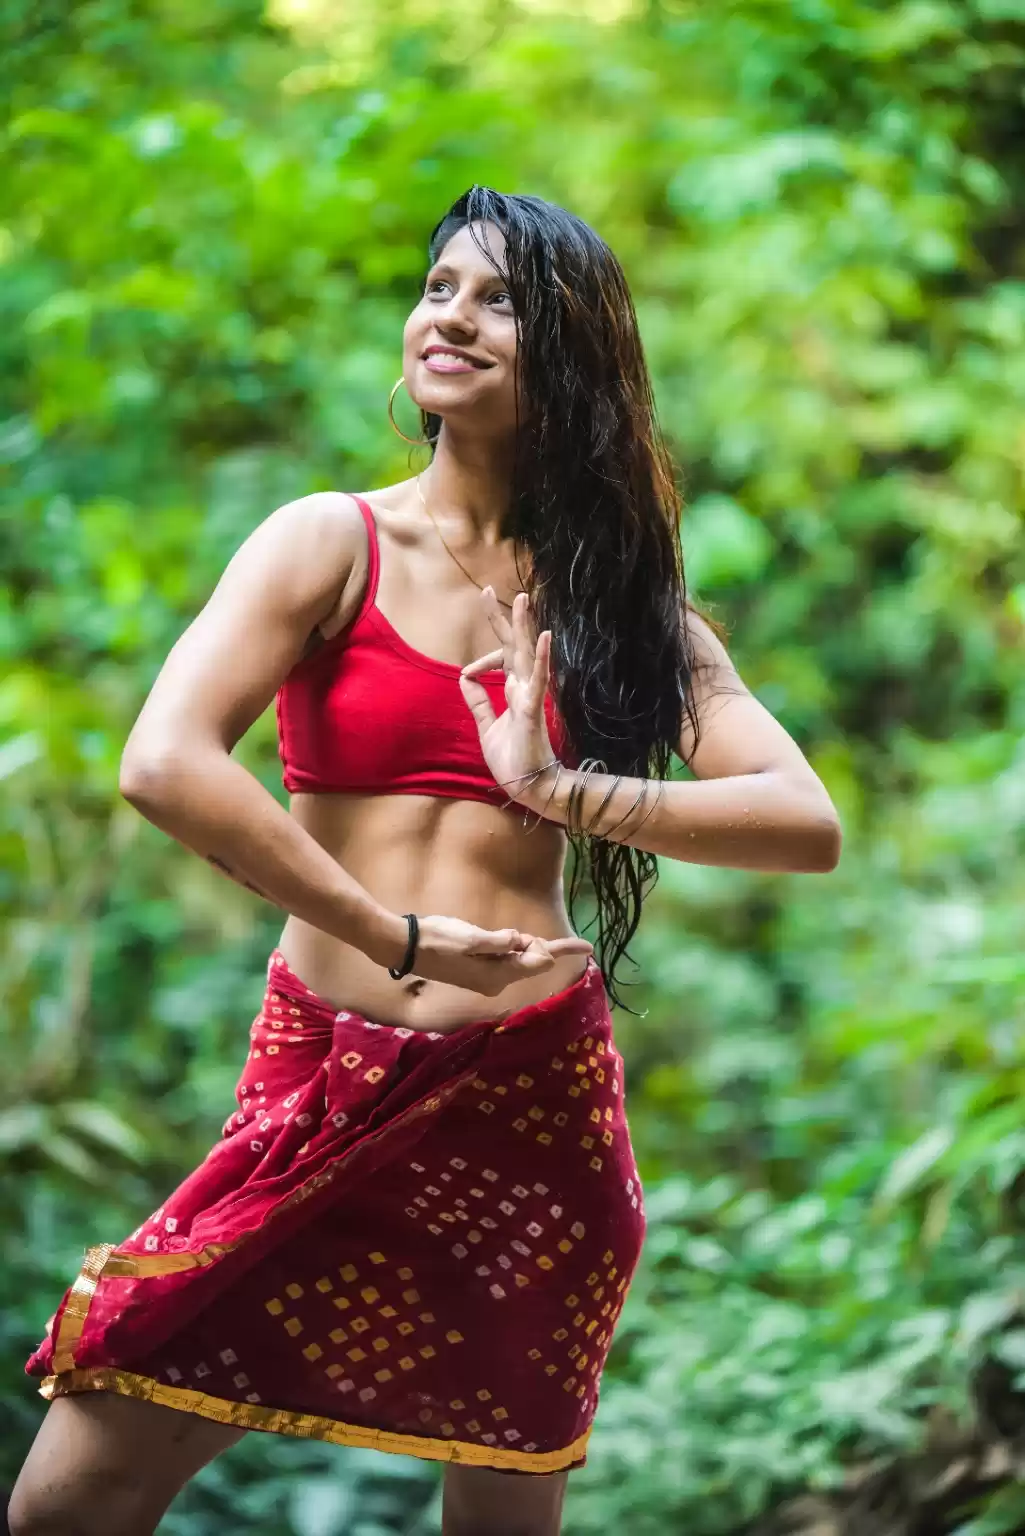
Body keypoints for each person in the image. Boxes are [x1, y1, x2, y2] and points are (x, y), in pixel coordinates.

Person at [10, 186, 841, 1536]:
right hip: (324, 1075)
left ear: (571, 355)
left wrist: (558, 789)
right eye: (440, 286)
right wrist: (389, 933)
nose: (451, 316)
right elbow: (163, 763)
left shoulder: (622, 609)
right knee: (75, 1491)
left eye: (499, 299)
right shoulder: (328, 540)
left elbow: (803, 821)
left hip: (532, 1099)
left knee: (501, 1507)